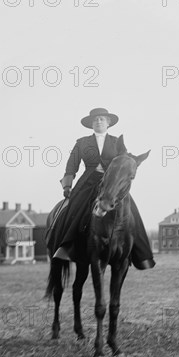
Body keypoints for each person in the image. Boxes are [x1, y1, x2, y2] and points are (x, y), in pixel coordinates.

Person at [47, 108, 156, 270]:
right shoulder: (82, 143)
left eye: (102, 119)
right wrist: (67, 185)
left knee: (132, 210)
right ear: (91, 124)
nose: (99, 121)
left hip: (112, 183)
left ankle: (140, 252)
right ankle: (66, 247)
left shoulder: (116, 142)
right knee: (74, 208)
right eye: (96, 119)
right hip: (88, 182)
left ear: (108, 122)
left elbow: (125, 160)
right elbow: (71, 166)